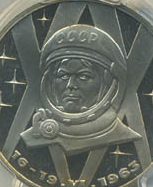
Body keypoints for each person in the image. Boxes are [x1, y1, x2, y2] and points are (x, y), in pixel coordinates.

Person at [21, 24, 141, 155]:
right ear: (49, 82)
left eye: (83, 76)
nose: (70, 85)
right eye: (63, 76)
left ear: (107, 84)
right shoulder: (33, 136)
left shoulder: (125, 137)